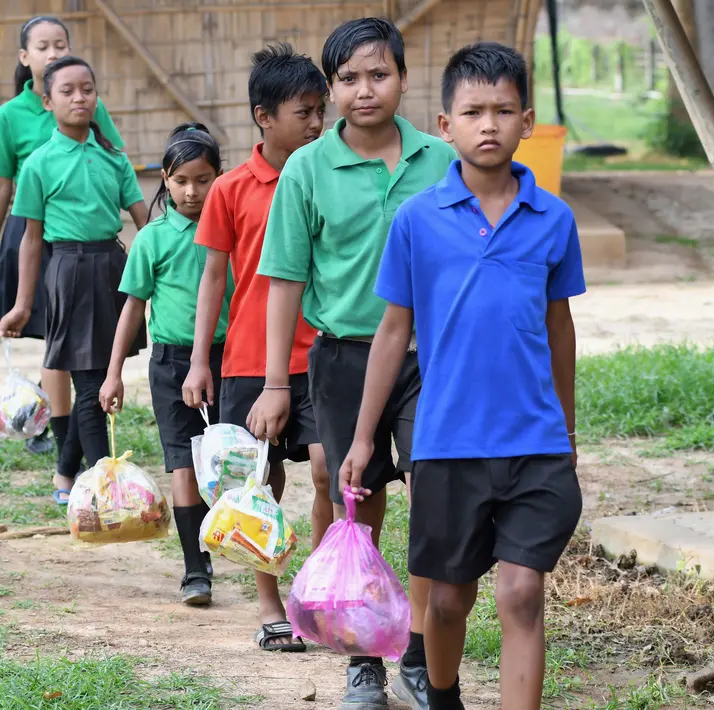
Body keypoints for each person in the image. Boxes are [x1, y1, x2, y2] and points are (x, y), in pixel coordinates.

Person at [342, 43, 585, 710]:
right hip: (446, 443)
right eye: (472, 111)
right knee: (447, 602)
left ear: (526, 120)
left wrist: (565, 427)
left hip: (533, 442)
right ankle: (442, 694)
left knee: (521, 592)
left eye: (503, 110)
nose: (488, 125)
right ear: (444, 125)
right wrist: (364, 440)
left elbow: (559, 328)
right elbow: (393, 331)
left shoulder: (552, 220)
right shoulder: (417, 220)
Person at [250, 18, 457, 710]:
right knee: (356, 505)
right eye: (348, 79)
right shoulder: (306, 168)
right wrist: (278, 381)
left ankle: (423, 657)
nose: (364, 90)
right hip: (342, 359)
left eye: (379, 74)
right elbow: (283, 279)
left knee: (436, 496)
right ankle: (363, 658)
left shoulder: (441, 158)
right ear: (330, 89)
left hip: (432, 359)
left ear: (402, 77)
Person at [182, 43, 331, 652]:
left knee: (327, 469)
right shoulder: (230, 189)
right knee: (257, 486)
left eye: (322, 109)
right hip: (248, 356)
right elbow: (213, 278)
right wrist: (200, 360)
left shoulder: (331, 174)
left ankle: (319, 590)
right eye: (305, 111)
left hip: (321, 352)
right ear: (263, 116)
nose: (319, 122)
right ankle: (272, 604)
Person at [0, 15, 127, 469]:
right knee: (57, 345)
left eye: (60, 44)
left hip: (92, 250)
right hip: (36, 239)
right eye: (43, 46)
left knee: (77, 351)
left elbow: (116, 163)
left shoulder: (87, 104)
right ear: (25, 58)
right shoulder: (11, 116)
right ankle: (62, 442)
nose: (54, 52)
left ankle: (68, 456)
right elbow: (2, 187)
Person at [0, 56, 148, 477]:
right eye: (67, 91)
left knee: (100, 378)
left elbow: (144, 223)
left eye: (87, 90)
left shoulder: (115, 159)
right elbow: (30, 238)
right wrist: (23, 305)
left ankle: (66, 471)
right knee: (87, 383)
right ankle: (103, 484)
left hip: (113, 269)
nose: (79, 98)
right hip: (68, 270)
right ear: (48, 102)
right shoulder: (39, 163)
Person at [100, 123, 228, 606]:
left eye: (203, 179)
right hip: (171, 365)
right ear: (165, 182)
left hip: (228, 360)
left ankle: (235, 541)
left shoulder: (233, 229)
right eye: (181, 181)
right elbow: (132, 307)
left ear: (219, 177)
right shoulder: (152, 239)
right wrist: (114, 373)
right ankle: (196, 570)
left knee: (233, 460)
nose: (192, 191)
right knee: (183, 464)